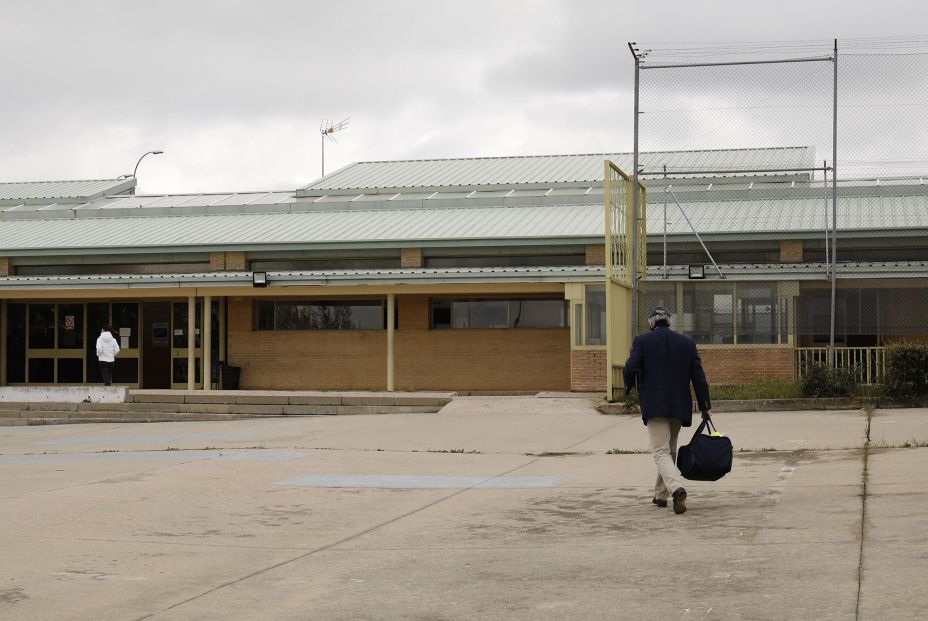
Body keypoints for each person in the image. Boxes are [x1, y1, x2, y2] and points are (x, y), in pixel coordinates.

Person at [623, 306, 712, 515]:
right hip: (679, 405)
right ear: (669, 322)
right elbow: (698, 377)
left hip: (655, 404)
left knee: (660, 452)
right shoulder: (687, 343)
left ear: (651, 323)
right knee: (669, 449)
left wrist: (628, 387)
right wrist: (705, 406)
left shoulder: (642, 341)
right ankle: (660, 495)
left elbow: (630, 367)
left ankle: (676, 489)